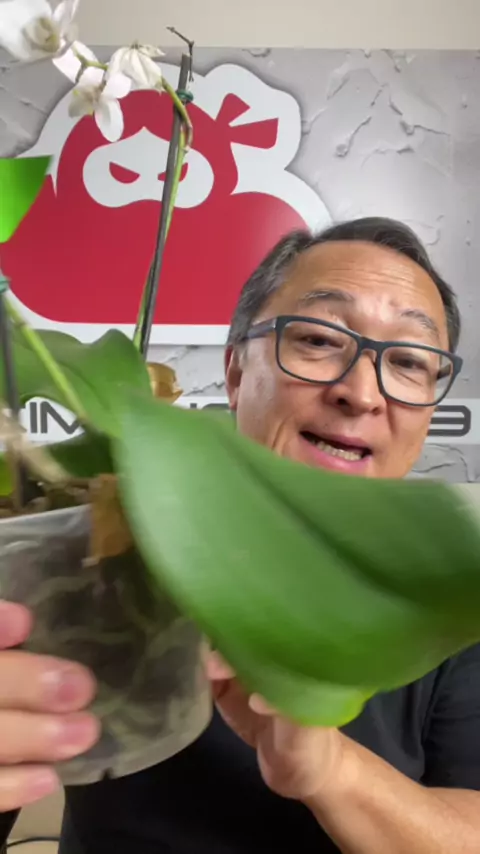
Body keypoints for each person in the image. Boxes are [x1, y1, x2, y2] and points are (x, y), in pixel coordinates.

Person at [0, 217, 479, 854]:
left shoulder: (449, 595)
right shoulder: (107, 551)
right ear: (234, 372)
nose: (362, 393)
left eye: (409, 361)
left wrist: (326, 768)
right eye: (318, 339)